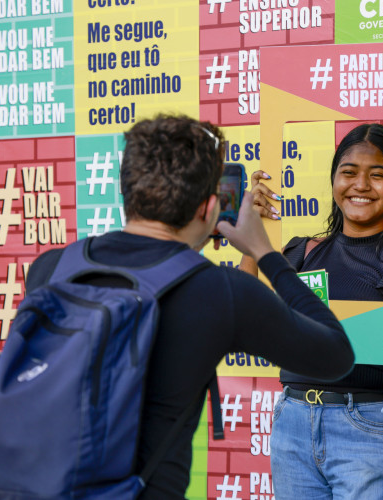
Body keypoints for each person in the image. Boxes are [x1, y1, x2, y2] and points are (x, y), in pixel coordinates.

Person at [23, 114, 355, 500]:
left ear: (129, 188)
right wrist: (262, 250)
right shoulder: (216, 291)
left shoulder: (50, 267)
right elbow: (335, 354)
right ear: (210, 206)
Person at [245, 123, 383, 500]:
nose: (361, 185)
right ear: (333, 181)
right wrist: (249, 230)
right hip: (293, 421)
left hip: (369, 426)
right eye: (348, 172)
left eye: (377, 175)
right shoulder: (301, 252)